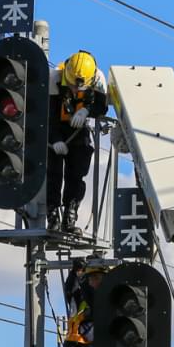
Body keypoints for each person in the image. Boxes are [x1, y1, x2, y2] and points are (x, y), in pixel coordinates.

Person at [47, 50, 108, 235]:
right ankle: (52, 216)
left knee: (77, 172)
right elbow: (48, 115)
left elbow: (101, 107)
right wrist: (55, 140)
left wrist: (86, 111)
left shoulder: (97, 78)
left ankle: (70, 214)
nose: (75, 89)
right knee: (53, 173)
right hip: (56, 128)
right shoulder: (54, 78)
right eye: (72, 85)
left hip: (79, 129)